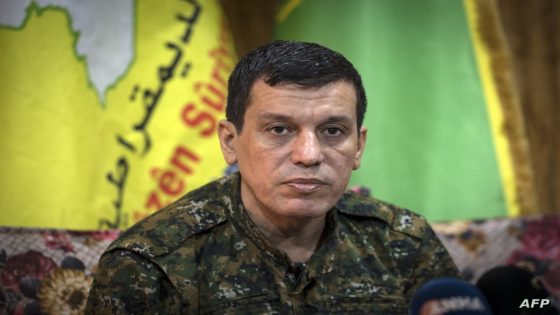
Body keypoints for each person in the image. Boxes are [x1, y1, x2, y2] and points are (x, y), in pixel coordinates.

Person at [86, 40, 459, 314]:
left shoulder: (405, 244)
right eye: (279, 129)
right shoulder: (152, 263)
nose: (309, 155)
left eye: (332, 131)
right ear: (230, 142)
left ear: (358, 146)